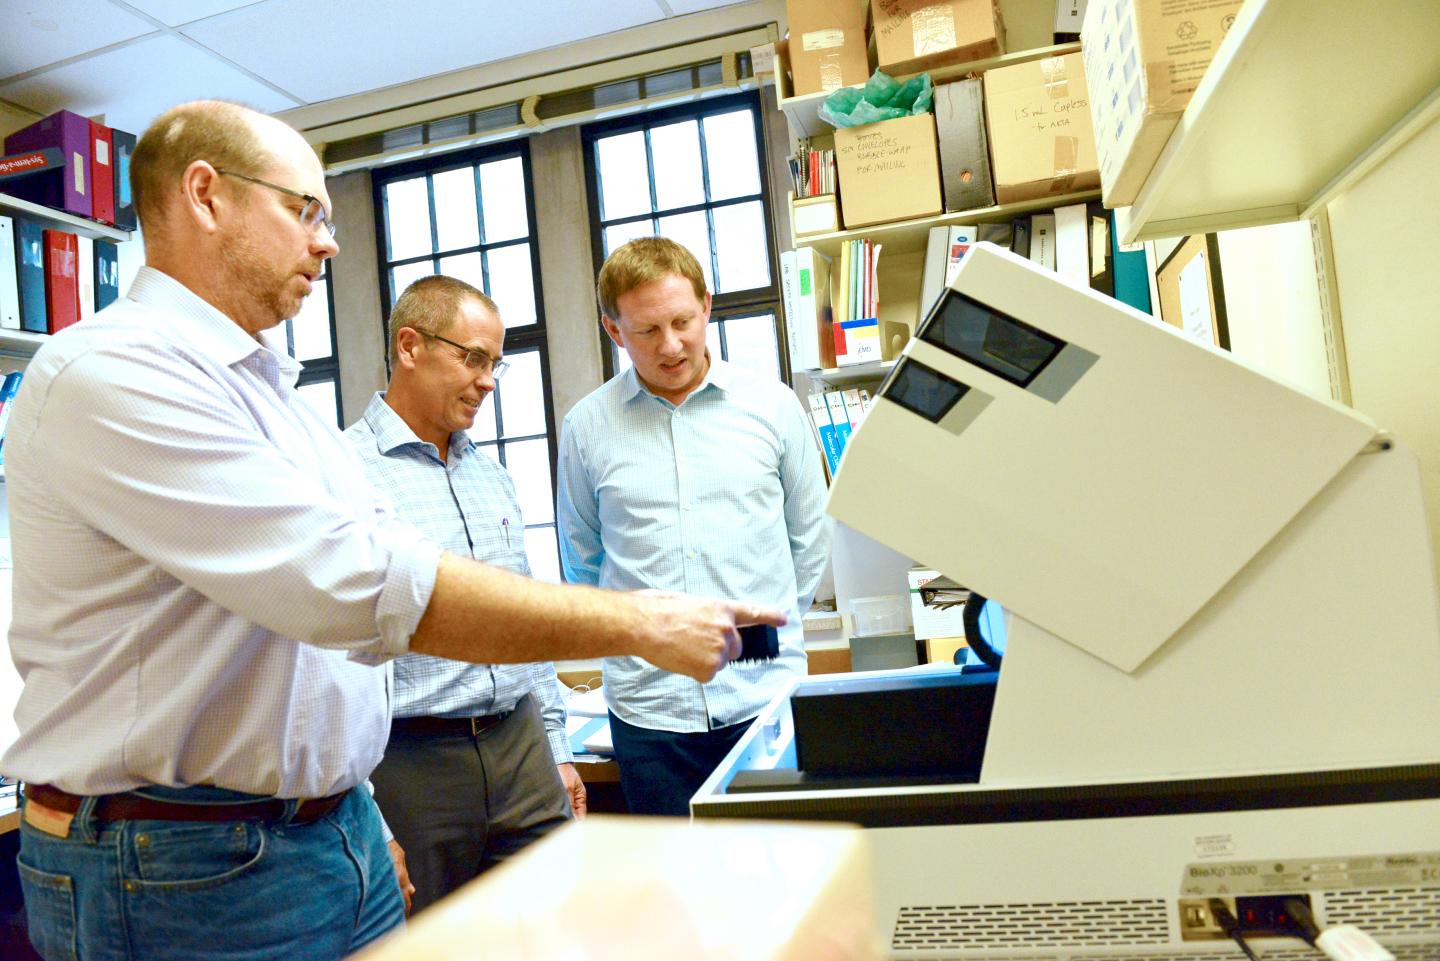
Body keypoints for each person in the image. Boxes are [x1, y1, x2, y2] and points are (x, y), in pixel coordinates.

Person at [0, 101, 780, 961]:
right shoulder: (115, 372)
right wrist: (639, 621)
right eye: (305, 210)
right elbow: (359, 583)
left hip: (328, 831)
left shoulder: (272, 398)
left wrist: (360, 806)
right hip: (185, 860)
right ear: (206, 194)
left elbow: (335, 646)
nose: (327, 243)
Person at [556, 237, 829, 817]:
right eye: (647, 330)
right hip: (649, 715)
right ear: (614, 331)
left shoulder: (773, 406)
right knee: (676, 875)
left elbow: (809, 541)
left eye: (683, 321)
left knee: (784, 868)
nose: (671, 345)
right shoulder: (586, 428)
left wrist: (762, 630)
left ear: (707, 306)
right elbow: (583, 563)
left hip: (766, 698)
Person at [345, 275, 583, 914]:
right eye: (473, 358)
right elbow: (328, 661)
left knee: (555, 926)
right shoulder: (343, 473)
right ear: (410, 346)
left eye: (495, 363)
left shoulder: (492, 477)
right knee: (431, 940)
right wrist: (370, 816)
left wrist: (556, 750)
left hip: (521, 746)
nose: (488, 381)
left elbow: (524, 620)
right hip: (412, 761)